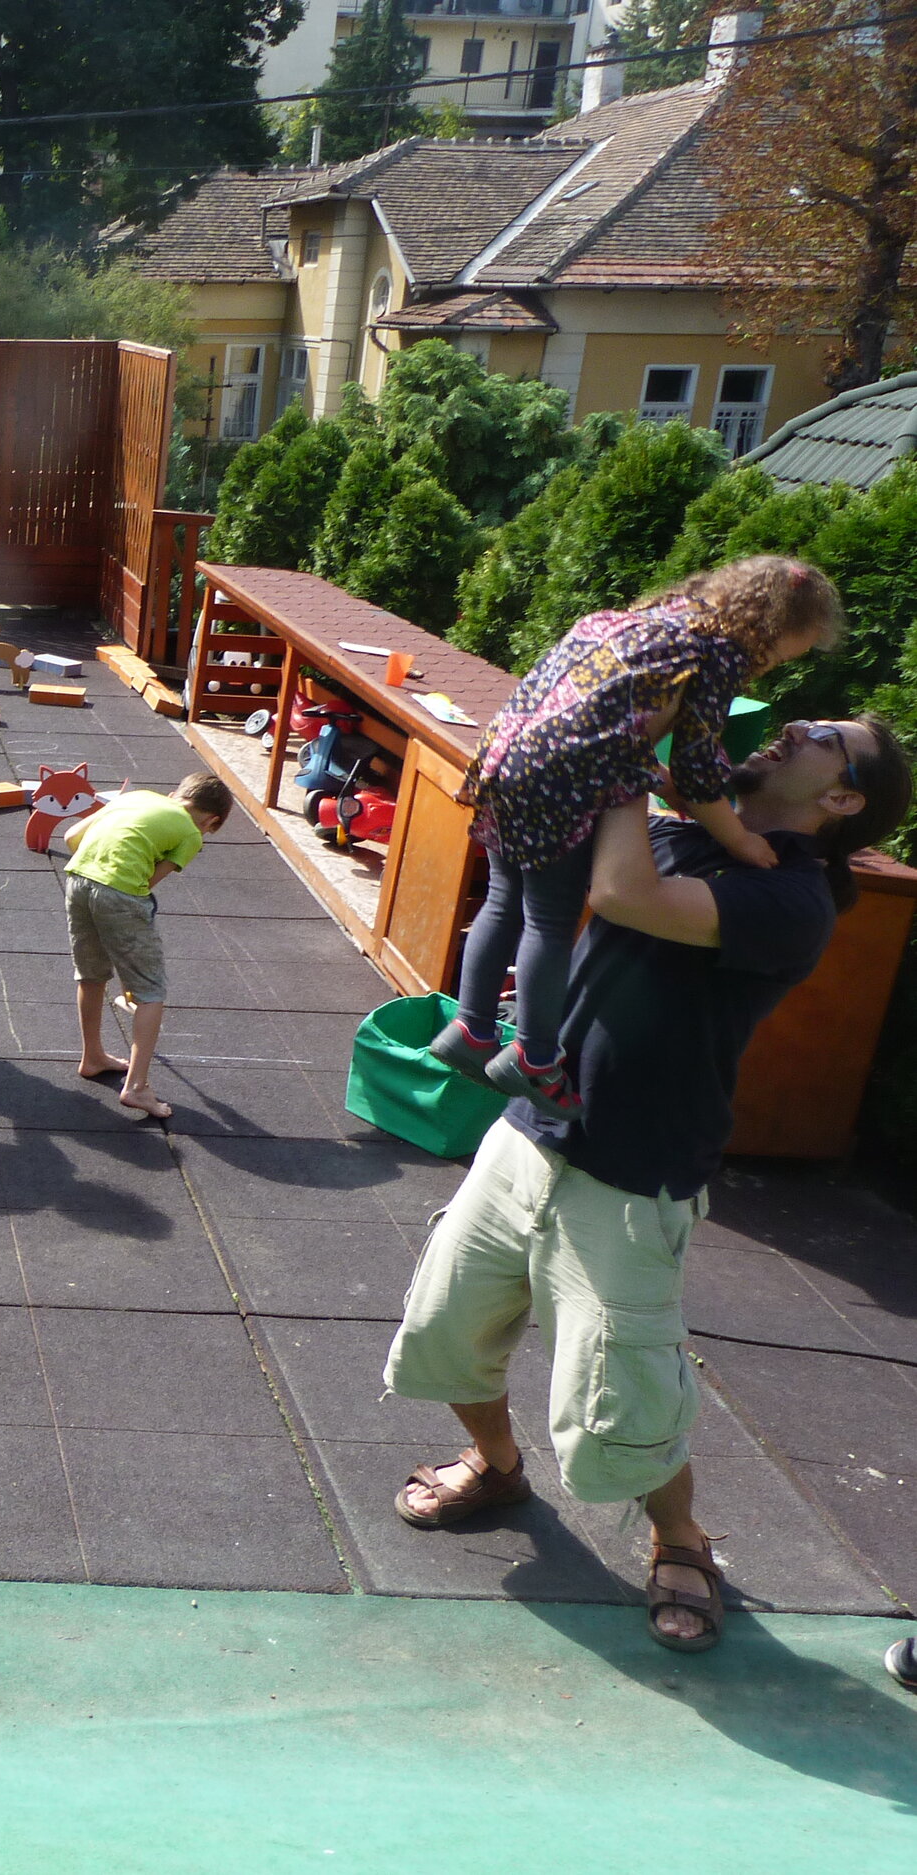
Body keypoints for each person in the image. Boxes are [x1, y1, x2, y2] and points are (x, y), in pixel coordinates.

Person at [385, 715, 910, 1652]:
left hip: (635, 1176)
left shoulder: (793, 899)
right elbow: (565, 855)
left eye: (828, 735)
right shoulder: (684, 828)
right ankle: (498, 1465)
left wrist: (631, 747)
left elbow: (623, 895)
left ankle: (681, 1538)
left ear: (843, 800)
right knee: (447, 1328)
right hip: (528, 1136)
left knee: (628, 1392)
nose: (796, 722)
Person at [435, 557, 841, 1118]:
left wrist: (661, 779)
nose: (764, 669)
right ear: (766, 630)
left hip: (508, 758)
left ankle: (472, 1028)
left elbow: (630, 732)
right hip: (563, 780)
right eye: (774, 657)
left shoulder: (644, 621)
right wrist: (738, 839)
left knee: (503, 900)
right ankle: (534, 1058)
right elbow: (700, 766)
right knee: (549, 921)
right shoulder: (718, 653)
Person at [63, 772, 232, 1120]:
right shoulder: (190, 833)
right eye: (207, 829)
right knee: (151, 991)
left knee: (91, 974)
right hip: (120, 893)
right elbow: (148, 881)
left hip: (78, 880)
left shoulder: (136, 796)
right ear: (211, 820)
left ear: (175, 793)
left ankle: (92, 1056)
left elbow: (70, 837)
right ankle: (137, 1087)